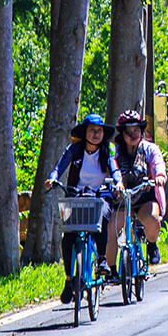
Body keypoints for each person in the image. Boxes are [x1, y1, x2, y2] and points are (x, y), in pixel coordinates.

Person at [43, 113, 123, 304]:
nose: (96, 134)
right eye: (92, 130)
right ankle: (70, 280)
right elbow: (59, 167)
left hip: (100, 196)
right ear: (85, 132)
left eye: (100, 131)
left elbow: (115, 169)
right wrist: (52, 179)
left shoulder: (108, 150)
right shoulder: (74, 149)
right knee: (68, 236)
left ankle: (102, 259)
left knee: (102, 218)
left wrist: (118, 183)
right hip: (76, 196)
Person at [109, 110, 168, 269]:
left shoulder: (150, 149)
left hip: (144, 196)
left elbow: (158, 164)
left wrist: (160, 176)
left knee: (152, 219)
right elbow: (109, 169)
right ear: (122, 133)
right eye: (128, 131)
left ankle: (151, 244)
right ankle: (111, 269)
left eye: (136, 130)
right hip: (122, 199)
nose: (133, 134)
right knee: (112, 228)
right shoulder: (114, 151)